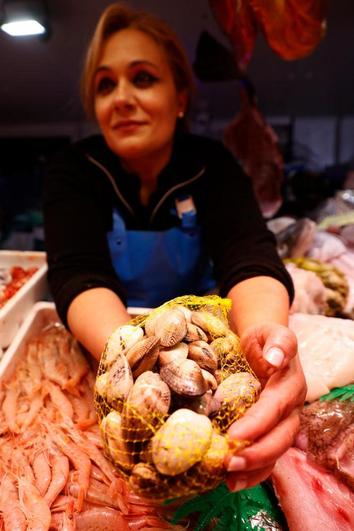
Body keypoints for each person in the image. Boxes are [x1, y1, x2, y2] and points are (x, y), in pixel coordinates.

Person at [43, 2, 306, 494]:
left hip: (201, 342)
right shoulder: (73, 172)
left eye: (142, 78)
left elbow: (250, 256)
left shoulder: (213, 165)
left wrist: (266, 344)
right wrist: (138, 375)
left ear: (181, 95)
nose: (121, 98)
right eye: (105, 85)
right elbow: (78, 274)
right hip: (111, 341)